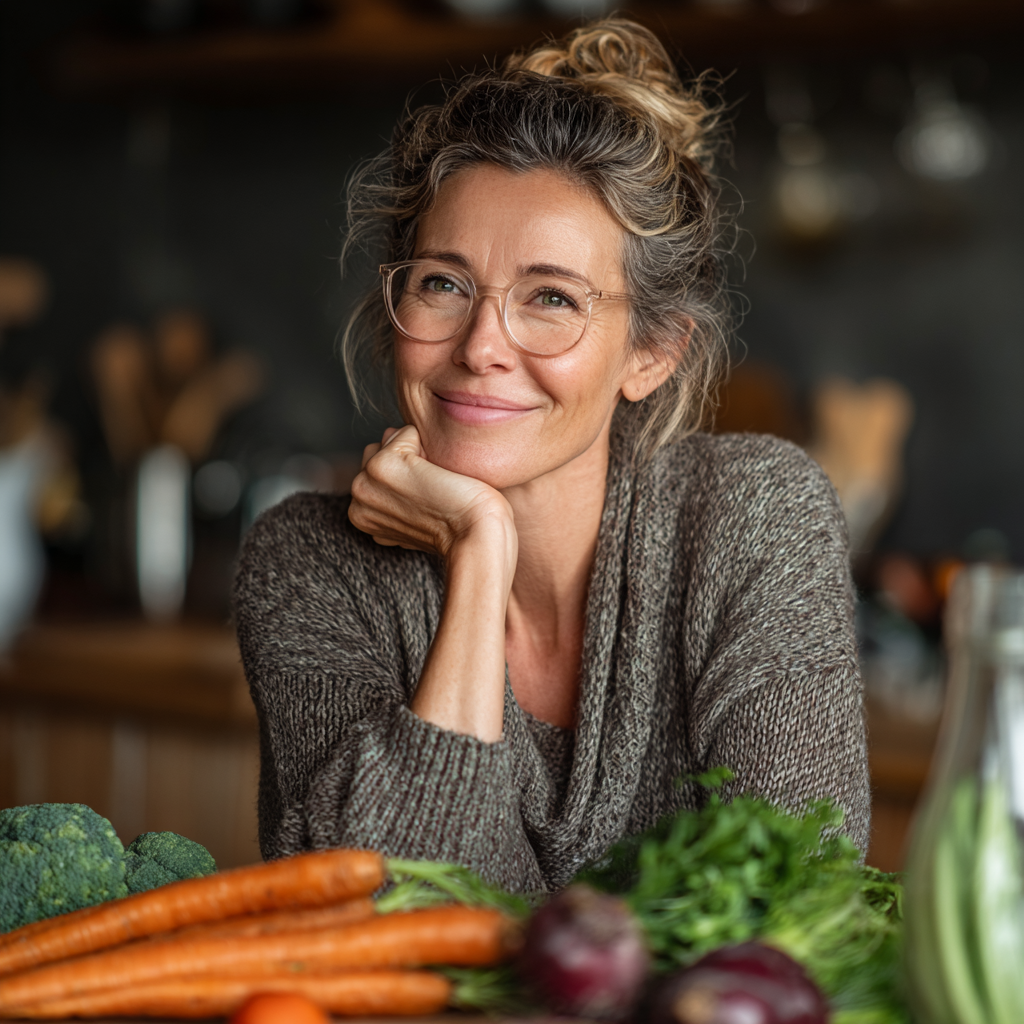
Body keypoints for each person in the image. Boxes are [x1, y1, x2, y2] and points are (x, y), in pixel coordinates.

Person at [233, 18, 869, 892]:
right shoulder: (308, 564)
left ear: (651, 355)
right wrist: (478, 554)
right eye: (444, 284)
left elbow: (793, 910)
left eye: (552, 298)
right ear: (395, 312)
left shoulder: (755, 518)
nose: (482, 345)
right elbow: (376, 918)